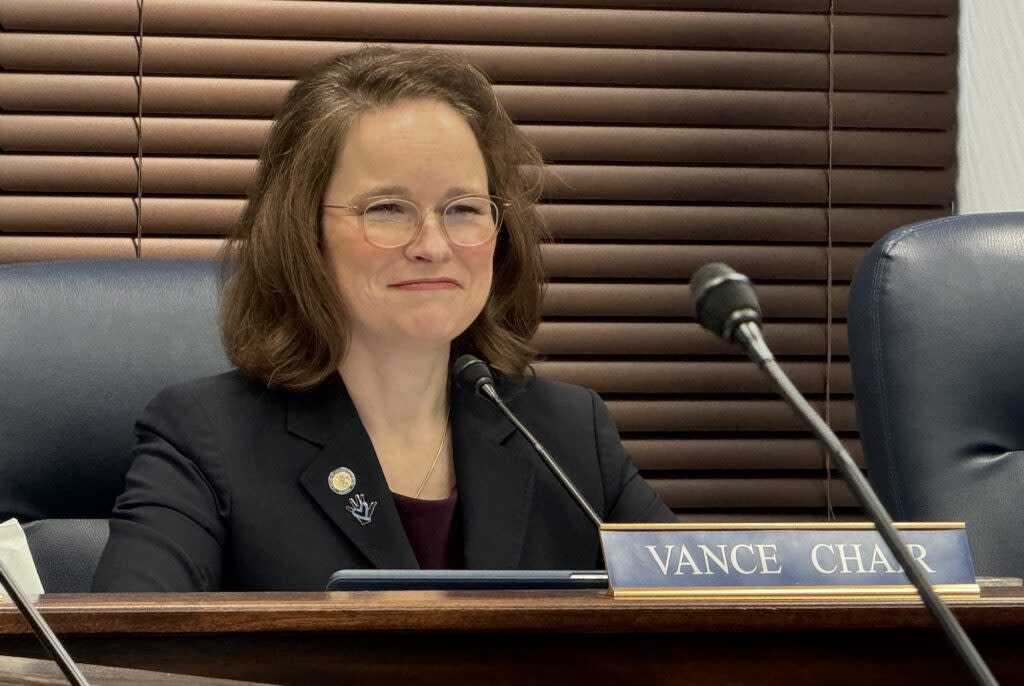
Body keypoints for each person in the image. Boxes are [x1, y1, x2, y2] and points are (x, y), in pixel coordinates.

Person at [92, 46, 675, 592]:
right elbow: (115, 660)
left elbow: (705, 622)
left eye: (464, 208)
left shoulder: (570, 436)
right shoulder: (205, 440)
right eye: (388, 208)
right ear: (304, 233)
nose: (433, 244)